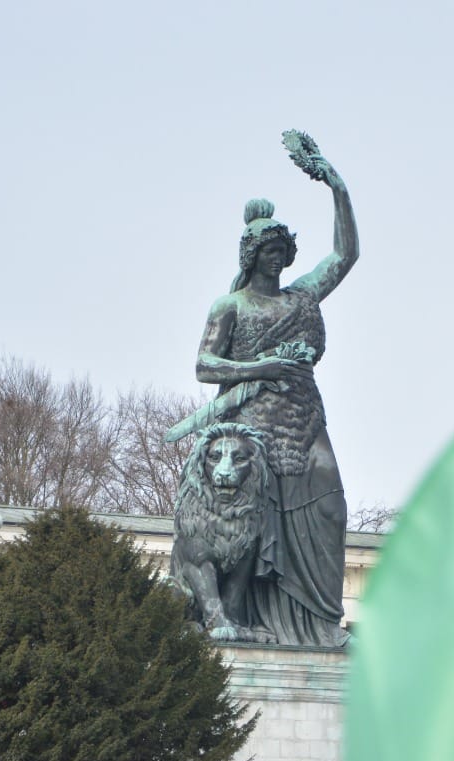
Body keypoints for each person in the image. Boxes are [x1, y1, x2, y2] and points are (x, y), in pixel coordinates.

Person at [191, 150, 359, 648]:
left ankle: (319, 623)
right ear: (251, 254)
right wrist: (259, 367)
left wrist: (337, 188)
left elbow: (344, 256)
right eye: (267, 249)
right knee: (259, 525)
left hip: (303, 415)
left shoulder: (302, 297)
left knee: (331, 508)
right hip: (251, 425)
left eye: (282, 250)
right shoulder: (231, 306)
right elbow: (204, 366)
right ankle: (253, 617)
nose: (276, 257)